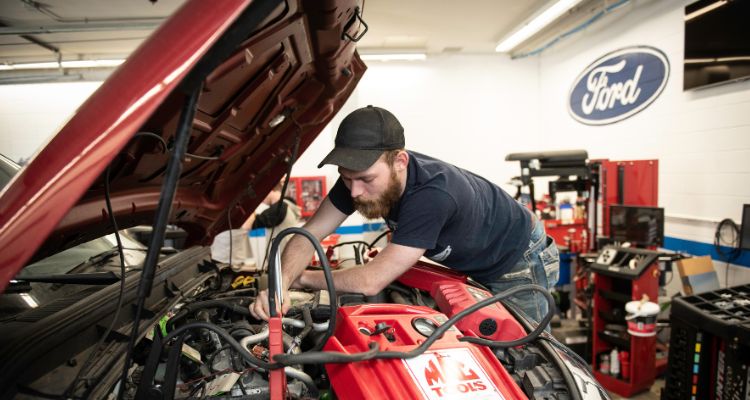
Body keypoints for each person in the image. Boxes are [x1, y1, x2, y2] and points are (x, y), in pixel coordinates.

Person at [249, 105, 559, 328]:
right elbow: (309, 233)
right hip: (477, 260)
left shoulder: (433, 195)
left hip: (519, 260)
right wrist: (280, 286)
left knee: (522, 358)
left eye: (366, 180)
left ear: (400, 161)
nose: (354, 191)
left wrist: (302, 279)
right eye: (346, 178)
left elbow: (371, 281)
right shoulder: (357, 180)